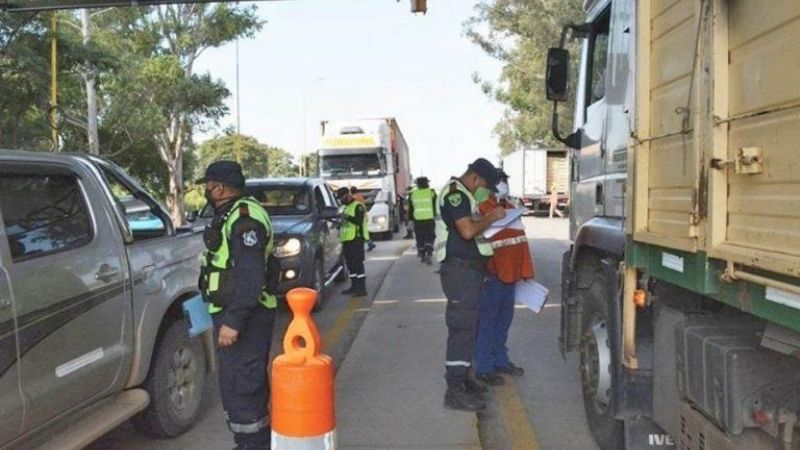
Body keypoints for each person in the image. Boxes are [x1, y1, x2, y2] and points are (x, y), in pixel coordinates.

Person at [198, 160, 276, 450]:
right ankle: (246, 444)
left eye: (208, 186)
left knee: (245, 386)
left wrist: (233, 321)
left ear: (218, 188)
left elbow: (251, 277)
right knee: (235, 385)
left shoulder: (245, 219)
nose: (206, 191)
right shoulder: (231, 213)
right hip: (233, 313)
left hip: (245, 318)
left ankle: (255, 445)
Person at [435, 157, 505, 411]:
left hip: (469, 273)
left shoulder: (467, 195)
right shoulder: (457, 195)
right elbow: (467, 231)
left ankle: (464, 380)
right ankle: (454, 391)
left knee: (468, 328)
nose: (485, 191)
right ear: (475, 178)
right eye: (485, 185)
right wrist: (492, 217)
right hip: (459, 272)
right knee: (461, 329)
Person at [474, 170, 534, 386]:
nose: (503, 184)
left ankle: (500, 360)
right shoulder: (483, 210)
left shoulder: (511, 210)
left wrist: (524, 271)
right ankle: (483, 366)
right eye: (499, 181)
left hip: (510, 275)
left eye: (505, 180)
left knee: (503, 322)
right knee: (487, 322)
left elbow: (519, 243)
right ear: (489, 186)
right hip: (492, 275)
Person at [338, 187, 369, 296]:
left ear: (347, 195)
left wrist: (346, 217)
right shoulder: (345, 207)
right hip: (347, 239)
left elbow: (358, 221)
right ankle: (354, 286)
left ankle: (362, 288)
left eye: (342, 197)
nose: (341, 200)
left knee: (358, 264)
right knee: (350, 265)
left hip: (357, 239)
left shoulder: (358, 206)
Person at [408, 176, 437, 264]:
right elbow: (436, 205)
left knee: (420, 237)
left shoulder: (413, 194)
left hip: (418, 220)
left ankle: (422, 254)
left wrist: (410, 220)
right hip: (429, 219)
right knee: (430, 236)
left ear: (417, 185)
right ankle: (429, 253)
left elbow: (411, 208)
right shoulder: (431, 192)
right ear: (427, 184)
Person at [350, 187, 376, 251]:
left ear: (351, 191)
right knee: (364, 231)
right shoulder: (360, 196)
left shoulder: (353, 198)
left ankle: (370, 243)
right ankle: (369, 243)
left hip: (358, 216)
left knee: (360, 232)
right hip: (363, 215)